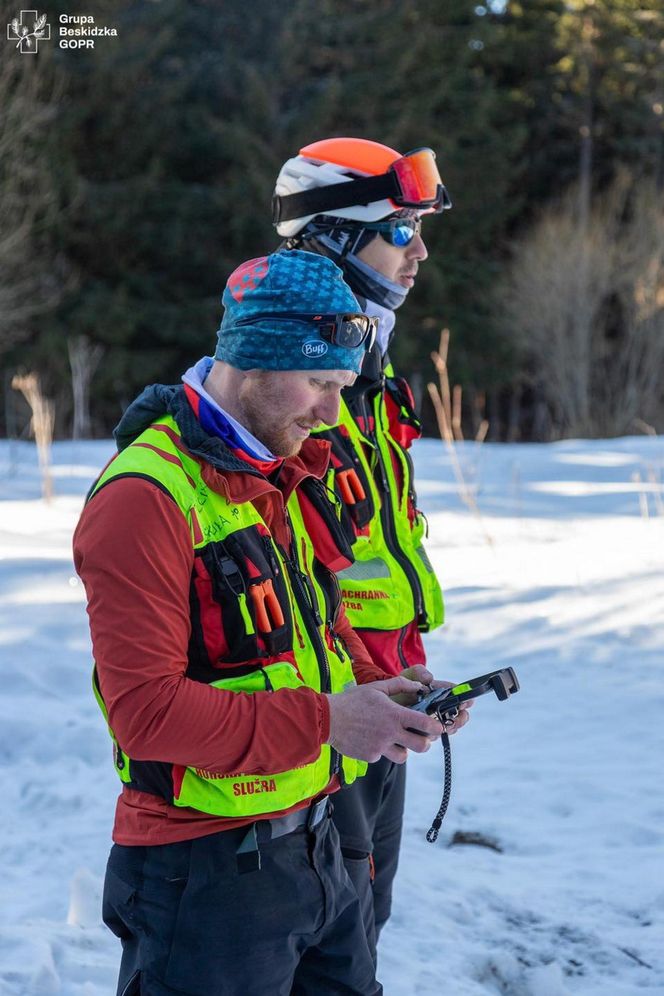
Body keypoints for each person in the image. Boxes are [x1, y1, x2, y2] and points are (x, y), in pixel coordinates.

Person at [73, 249, 453, 996]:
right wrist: (326, 723)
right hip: (204, 879)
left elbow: (312, 628)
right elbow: (146, 715)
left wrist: (381, 686)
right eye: (318, 383)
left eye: (342, 387)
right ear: (252, 362)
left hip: (316, 847)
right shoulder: (143, 498)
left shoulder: (277, 468)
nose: (331, 415)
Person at [273, 137, 457, 959]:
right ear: (338, 238)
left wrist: (404, 677)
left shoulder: (373, 376)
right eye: (400, 229)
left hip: (388, 695)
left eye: (420, 228)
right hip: (322, 718)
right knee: (322, 950)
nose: (419, 251)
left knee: (361, 936)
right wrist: (344, 699)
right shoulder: (280, 377)